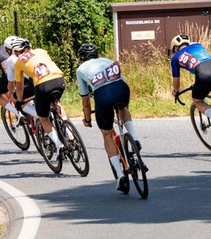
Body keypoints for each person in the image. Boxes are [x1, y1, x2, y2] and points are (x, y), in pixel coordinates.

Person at [75, 43, 143, 192]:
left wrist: (87, 119)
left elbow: (86, 101)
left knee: (107, 134)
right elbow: (122, 80)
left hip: (103, 95)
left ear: (82, 58)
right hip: (121, 89)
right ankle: (135, 138)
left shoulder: (80, 70)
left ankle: (120, 176)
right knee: (123, 108)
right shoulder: (108, 61)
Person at [11, 38, 67, 154]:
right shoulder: (41, 50)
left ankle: (58, 145)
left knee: (43, 118)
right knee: (56, 103)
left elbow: (20, 87)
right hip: (59, 80)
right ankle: (70, 134)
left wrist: (20, 102)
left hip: (42, 85)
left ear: (17, 52)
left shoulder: (18, 62)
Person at [169, 34, 211, 126]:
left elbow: (176, 80)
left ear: (175, 47)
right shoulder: (198, 45)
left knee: (197, 101)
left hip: (203, 73)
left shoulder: (175, 58)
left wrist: (176, 91)